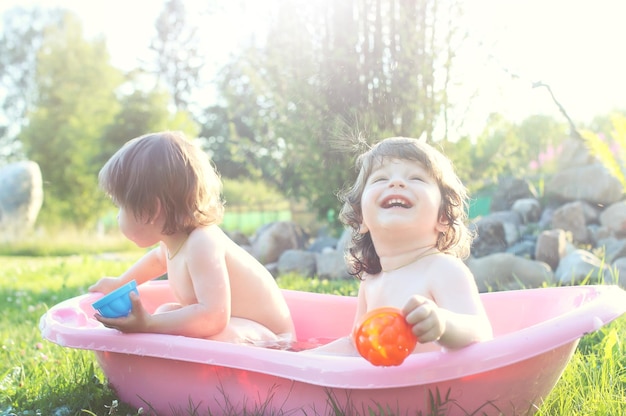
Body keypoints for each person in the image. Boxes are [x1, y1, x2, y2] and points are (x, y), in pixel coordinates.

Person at [89, 131, 295, 344]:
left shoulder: (202, 243)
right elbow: (156, 261)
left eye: (120, 206)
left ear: (150, 210)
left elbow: (214, 317)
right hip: (239, 324)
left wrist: (148, 323)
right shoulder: (174, 244)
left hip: (274, 339)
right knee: (165, 312)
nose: (117, 214)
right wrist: (120, 283)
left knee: (214, 336)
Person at [310, 136, 492, 355]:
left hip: (435, 386)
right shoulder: (370, 281)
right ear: (361, 219)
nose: (396, 183)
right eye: (380, 179)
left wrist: (443, 324)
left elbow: (480, 331)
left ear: (443, 216)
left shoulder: (443, 270)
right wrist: (300, 362)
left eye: (416, 177)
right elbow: (356, 345)